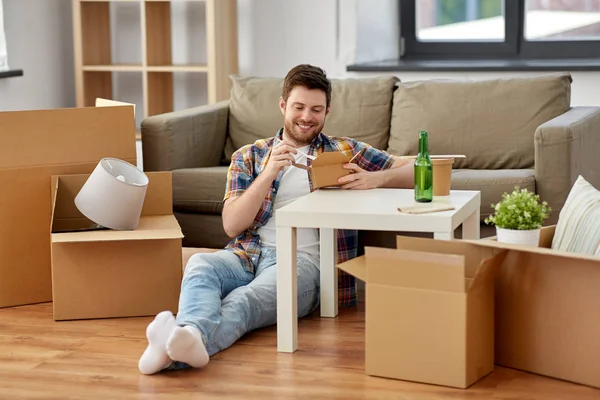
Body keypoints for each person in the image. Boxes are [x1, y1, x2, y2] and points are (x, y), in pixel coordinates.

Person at [138, 64, 414, 375]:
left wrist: (377, 179)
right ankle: (186, 337)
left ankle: (178, 344)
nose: (306, 117)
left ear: (327, 112)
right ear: (283, 105)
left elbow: (419, 168)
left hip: (305, 263)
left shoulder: (345, 150)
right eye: (298, 107)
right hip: (247, 254)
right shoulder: (249, 156)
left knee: (246, 299)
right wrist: (269, 172)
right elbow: (231, 226)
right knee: (200, 264)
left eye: (316, 109)